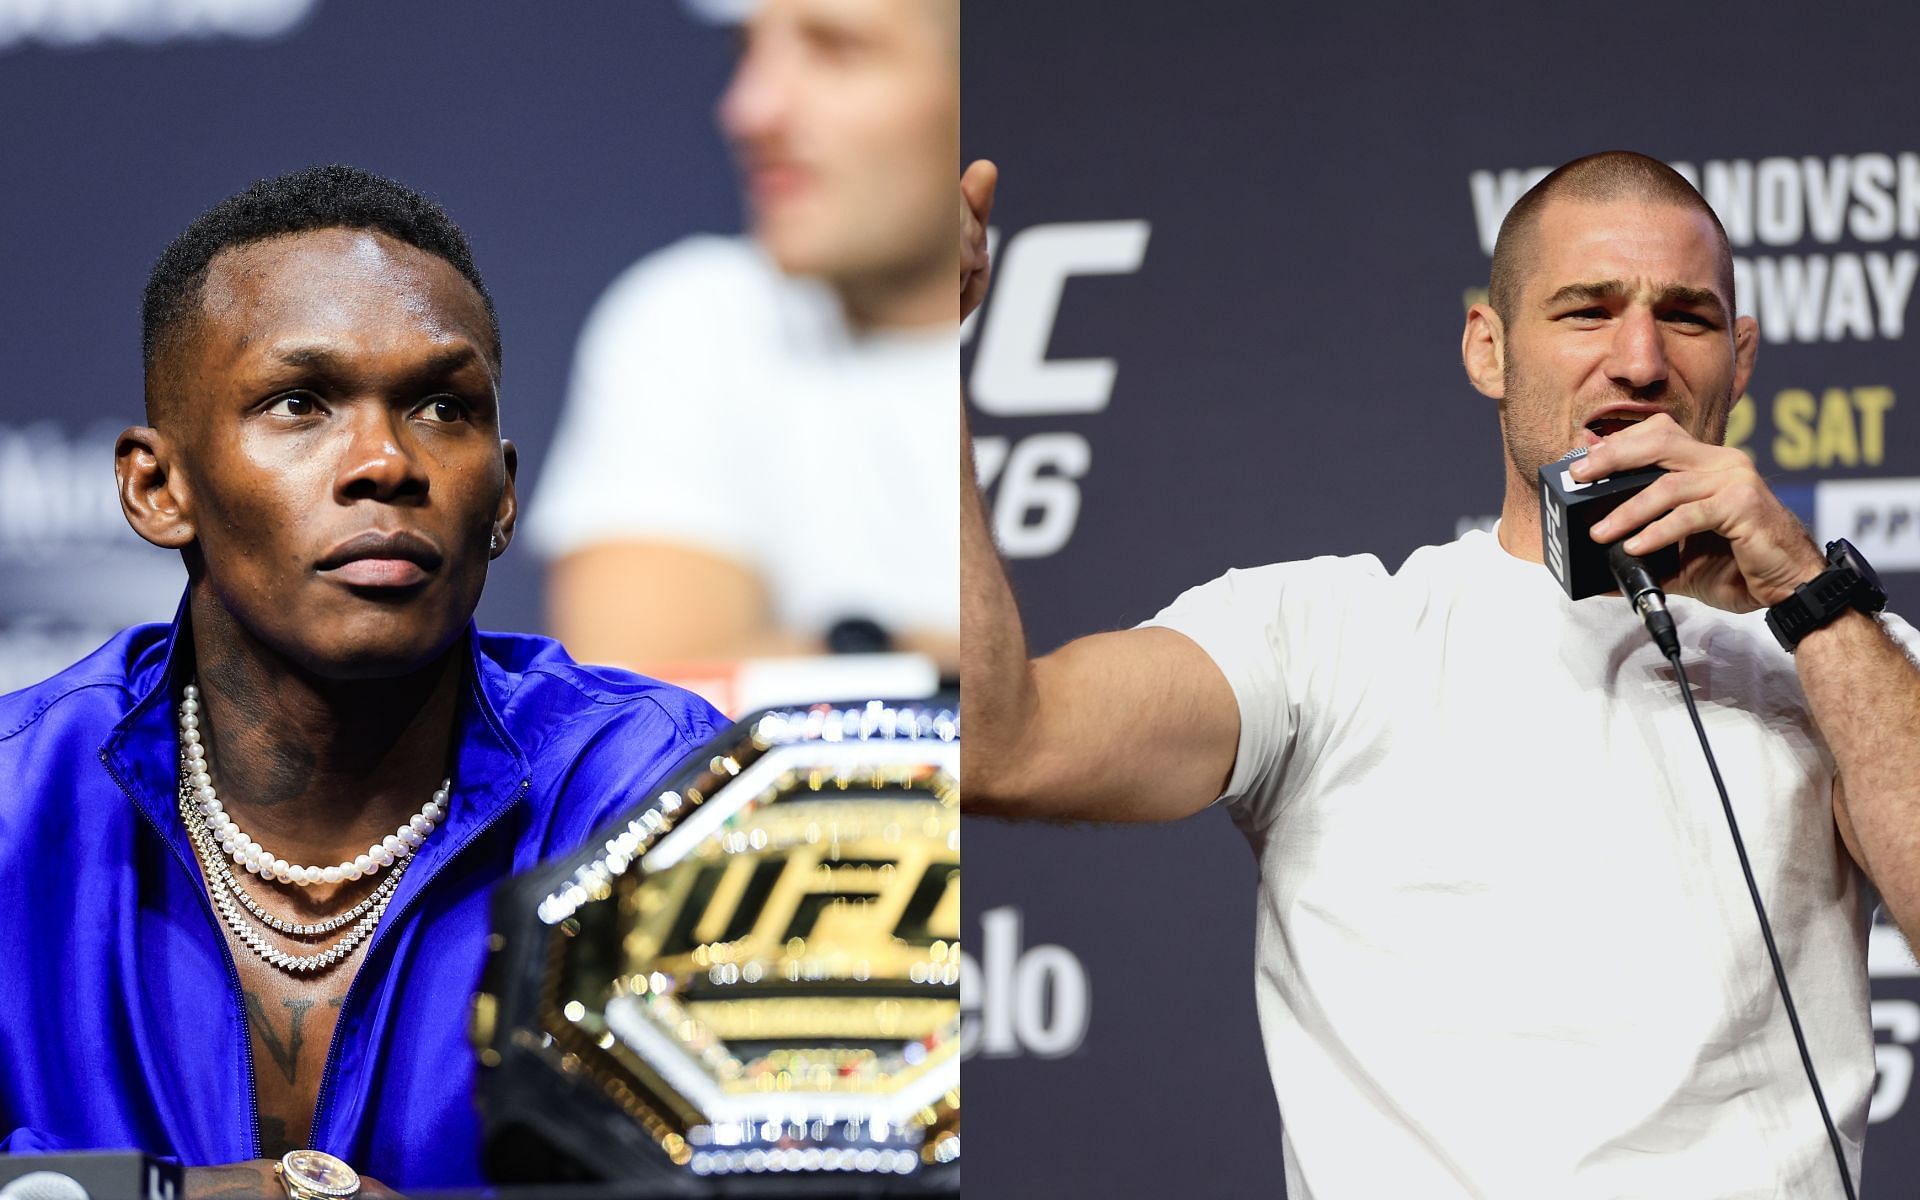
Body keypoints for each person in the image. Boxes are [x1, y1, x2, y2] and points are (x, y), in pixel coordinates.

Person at [962, 152, 1920, 1196]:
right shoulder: (1325, 637)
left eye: (1686, 319)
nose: (1641, 360)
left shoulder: (1849, 657)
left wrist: (1809, 596)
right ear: (1489, 350)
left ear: (1740, 360)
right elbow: (1003, 743)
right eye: (1587, 311)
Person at [0, 166, 725, 1194]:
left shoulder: (657, 799)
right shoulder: (15, 800)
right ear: (160, 489)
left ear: (505, 498)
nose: (385, 461)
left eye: (442, 406)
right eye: (300, 403)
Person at [526, 0, 960, 675]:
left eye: (838, 50)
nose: (749, 110)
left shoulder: (1144, 316)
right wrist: (930, 662)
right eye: (746, 51)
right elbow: (645, 706)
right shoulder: (697, 316)